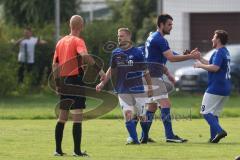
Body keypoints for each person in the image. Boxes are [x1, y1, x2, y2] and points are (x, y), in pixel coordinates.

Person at [52, 15, 105, 156]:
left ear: (70, 26)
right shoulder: (78, 41)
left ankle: (58, 150)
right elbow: (85, 55)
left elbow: (55, 65)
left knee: (62, 116)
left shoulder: (60, 42)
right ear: (81, 26)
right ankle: (77, 151)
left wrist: (57, 84)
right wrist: (99, 70)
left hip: (63, 81)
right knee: (77, 115)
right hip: (75, 80)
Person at [143, 14, 200, 143]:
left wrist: (186, 55)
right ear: (161, 25)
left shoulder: (154, 37)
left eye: (172, 25)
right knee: (165, 104)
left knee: (151, 107)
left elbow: (170, 54)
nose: (171, 27)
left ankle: (143, 137)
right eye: (169, 25)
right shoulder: (159, 39)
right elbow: (171, 58)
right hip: (154, 78)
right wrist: (190, 57)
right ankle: (169, 136)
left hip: (149, 77)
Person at [96, 28, 153, 144]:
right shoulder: (116, 53)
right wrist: (102, 83)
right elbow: (111, 70)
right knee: (128, 115)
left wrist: (150, 87)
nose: (119, 38)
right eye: (118, 36)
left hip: (138, 90)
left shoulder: (137, 53)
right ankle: (134, 140)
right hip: (122, 90)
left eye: (121, 36)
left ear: (128, 37)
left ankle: (145, 135)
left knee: (142, 117)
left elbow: (146, 71)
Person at [194, 30, 231, 143]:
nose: (212, 39)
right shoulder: (224, 51)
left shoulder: (219, 52)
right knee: (213, 114)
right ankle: (213, 138)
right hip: (226, 88)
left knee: (205, 112)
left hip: (216, 87)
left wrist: (200, 65)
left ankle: (220, 131)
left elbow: (215, 67)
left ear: (218, 39)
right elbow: (210, 63)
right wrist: (198, 58)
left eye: (214, 37)